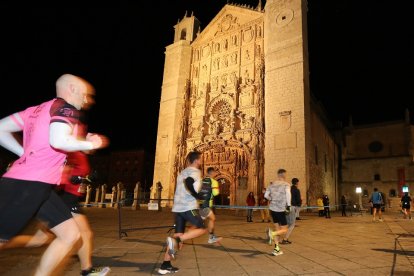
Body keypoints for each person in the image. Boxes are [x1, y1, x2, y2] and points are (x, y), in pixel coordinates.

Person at [0, 73, 109, 276]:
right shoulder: (66, 107)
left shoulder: (37, 110)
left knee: (70, 234)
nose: (86, 100)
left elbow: (1, 128)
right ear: (72, 89)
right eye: (85, 95)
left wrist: (22, 152)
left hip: (39, 185)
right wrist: (91, 143)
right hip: (26, 186)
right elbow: (58, 141)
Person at [158, 151, 208, 275]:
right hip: (188, 207)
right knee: (202, 228)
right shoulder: (195, 171)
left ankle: (165, 264)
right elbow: (189, 183)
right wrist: (197, 196)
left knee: (175, 237)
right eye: (200, 159)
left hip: (177, 208)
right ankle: (179, 239)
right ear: (196, 160)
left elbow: (185, 183)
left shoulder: (182, 171)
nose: (201, 161)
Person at [265, 169, 291, 256]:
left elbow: (265, 195)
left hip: (272, 209)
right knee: (284, 229)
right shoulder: (286, 184)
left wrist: (271, 199)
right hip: (280, 209)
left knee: (278, 229)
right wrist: (289, 205)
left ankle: (276, 249)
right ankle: (271, 234)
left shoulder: (271, 185)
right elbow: (288, 194)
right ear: (284, 175)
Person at [198, 167, 221, 244]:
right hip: (207, 205)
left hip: (200, 204)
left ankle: (211, 236)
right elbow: (215, 193)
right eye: (215, 172)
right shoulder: (214, 181)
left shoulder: (201, 180)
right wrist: (217, 188)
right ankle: (179, 238)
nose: (216, 174)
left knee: (206, 220)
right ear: (212, 173)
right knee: (212, 219)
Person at [281, 178, 301, 244]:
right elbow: (298, 200)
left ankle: (275, 234)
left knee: (286, 224)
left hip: (286, 207)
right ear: (297, 183)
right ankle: (285, 238)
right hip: (292, 207)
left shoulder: (288, 189)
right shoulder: (296, 190)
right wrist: (300, 202)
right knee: (292, 224)